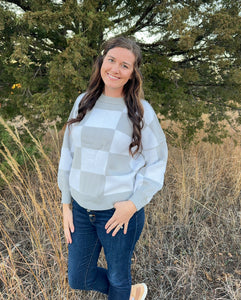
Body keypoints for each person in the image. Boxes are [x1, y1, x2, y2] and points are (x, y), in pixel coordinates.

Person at [58, 36, 168, 300]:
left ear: (132, 74)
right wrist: (65, 204)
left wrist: (133, 205)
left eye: (125, 66)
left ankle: (123, 292)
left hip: (118, 214)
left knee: (118, 276)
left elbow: (157, 163)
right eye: (111, 61)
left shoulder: (141, 112)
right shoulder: (83, 101)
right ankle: (129, 294)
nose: (115, 69)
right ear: (101, 62)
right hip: (82, 211)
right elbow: (68, 153)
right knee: (78, 277)